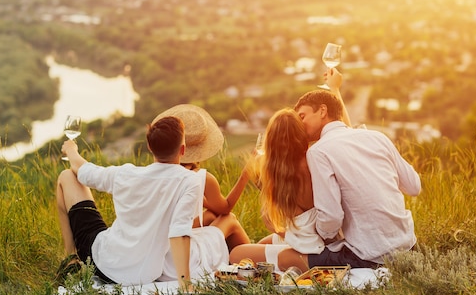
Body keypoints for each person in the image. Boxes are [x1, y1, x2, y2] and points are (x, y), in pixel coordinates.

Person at [55, 115, 247, 291]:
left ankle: (71, 257)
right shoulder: (189, 181)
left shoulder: (125, 174)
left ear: (149, 146)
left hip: (101, 260)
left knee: (66, 176)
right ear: (182, 150)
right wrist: (185, 284)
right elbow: (179, 231)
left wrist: (71, 151)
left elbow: (84, 171)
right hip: (140, 275)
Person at [292, 88, 421, 269]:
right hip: (408, 246)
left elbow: (331, 218)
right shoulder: (377, 137)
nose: (299, 124)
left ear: (322, 111)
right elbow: (414, 186)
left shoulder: (318, 151)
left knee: (285, 258)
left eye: (302, 116)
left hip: (369, 255)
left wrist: (319, 236)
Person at [229, 108, 325, 270]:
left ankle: (286, 259)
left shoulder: (281, 173)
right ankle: (281, 255)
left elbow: (277, 225)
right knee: (261, 244)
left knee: (236, 254)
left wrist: (279, 232)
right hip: (311, 232)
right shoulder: (312, 159)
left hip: (310, 244)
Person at [152, 104, 251, 250]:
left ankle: (242, 259)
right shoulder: (201, 177)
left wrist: (206, 206)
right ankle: (248, 261)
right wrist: (245, 174)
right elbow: (225, 209)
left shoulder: (155, 173)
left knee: (211, 215)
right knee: (229, 219)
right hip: (181, 248)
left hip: (159, 242)